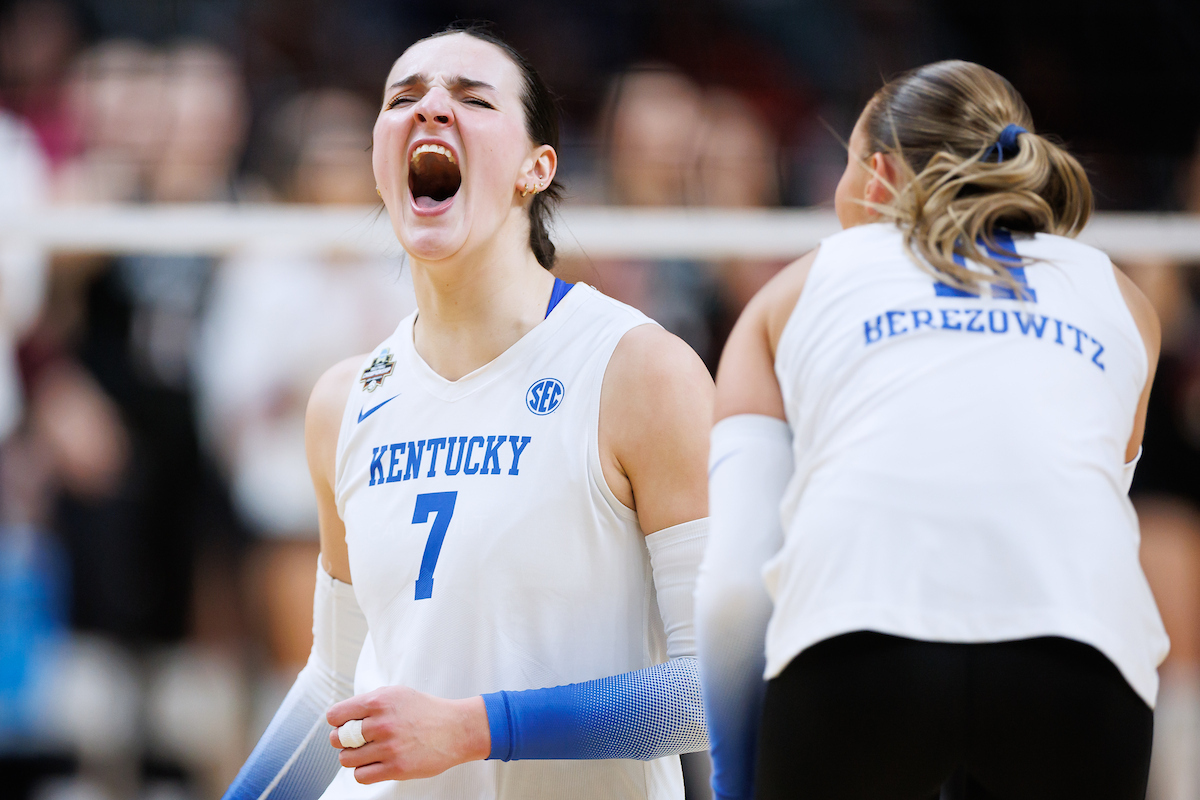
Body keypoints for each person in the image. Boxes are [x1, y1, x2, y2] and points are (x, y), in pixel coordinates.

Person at [221, 22, 711, 800]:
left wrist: (475, 728)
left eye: (474, 99)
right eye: (403, 98)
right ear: (379, 164)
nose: (431, 109)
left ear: (535, 168)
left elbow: (711, 692)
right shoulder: (345, 400)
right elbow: (333, 688)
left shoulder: (639, 369)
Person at [696, 60, 1168, 800]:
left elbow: (733, 588)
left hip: (854, 643)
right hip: (1083, 660)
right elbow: (1083, 509)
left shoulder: (798, 287)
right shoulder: (1123, 298)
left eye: (846, 162)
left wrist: (735, 778)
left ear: (879, 178)